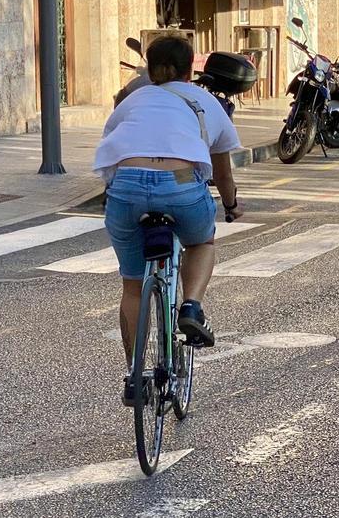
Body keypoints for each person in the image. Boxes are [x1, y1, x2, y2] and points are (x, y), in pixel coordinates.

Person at [94, 36, 244, 402]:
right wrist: (231, 204)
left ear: (149, 67)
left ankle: (134, 376)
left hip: (127, 186)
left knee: (132, 286)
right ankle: (191, 305)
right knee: (200, 242)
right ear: (191, 68)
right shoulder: (206, 102)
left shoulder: (132, 100)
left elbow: (114, 148)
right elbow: (222, 173)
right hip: (179, 184)